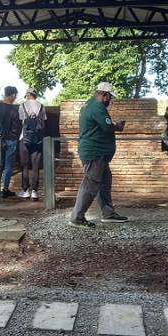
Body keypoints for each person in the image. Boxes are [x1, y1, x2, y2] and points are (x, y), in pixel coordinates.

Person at [69, 82, 129, 227]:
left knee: (104, 182)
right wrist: (118, 127)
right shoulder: (97, 106)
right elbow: (108, 127)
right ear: (105, 95)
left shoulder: (88, 105)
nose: (110, 101)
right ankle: (77, 218)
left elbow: (100, 125)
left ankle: (108, 213)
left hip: (97, 153)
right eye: (110, 97)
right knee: (90, 185)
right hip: (95, 153)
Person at [0, 86, 21, 198]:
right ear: (12, 95)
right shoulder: (14, 110)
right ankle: (5, 189)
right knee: (8, 165)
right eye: (15, 95)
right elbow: (14, 129)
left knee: (0, 164)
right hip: (10, 140)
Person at [18, 87, 47, 199]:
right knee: (35, 166)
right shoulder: (42, 106)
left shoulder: (22, 106)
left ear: (28, 94)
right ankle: (35, 191)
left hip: (24, 138)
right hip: (38, 140)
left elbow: (21, 121)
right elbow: (43, 123)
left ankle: (26, 190)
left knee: (24, 166)